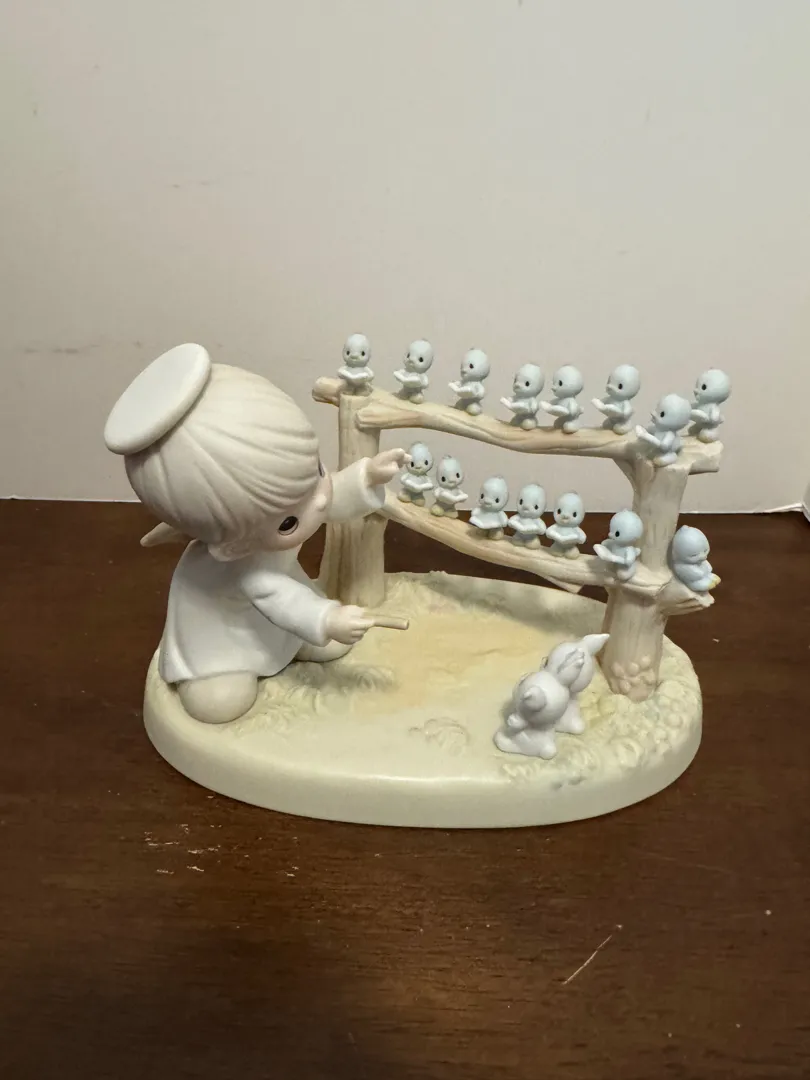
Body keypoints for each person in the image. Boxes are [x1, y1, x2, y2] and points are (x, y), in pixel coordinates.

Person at [104, 343, 407, 724]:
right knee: (220, 704)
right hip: (223, 631)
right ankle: (218, 672)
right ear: (232, 546)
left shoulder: (281, 514)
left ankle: (292, 642)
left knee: (317, 639)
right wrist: (327, 619)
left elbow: (324, 500)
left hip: (274, 610)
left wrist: (366, 476)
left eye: (316, 471)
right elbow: (283, 600)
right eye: (288, 523)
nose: (318, 500)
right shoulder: (248, 569)